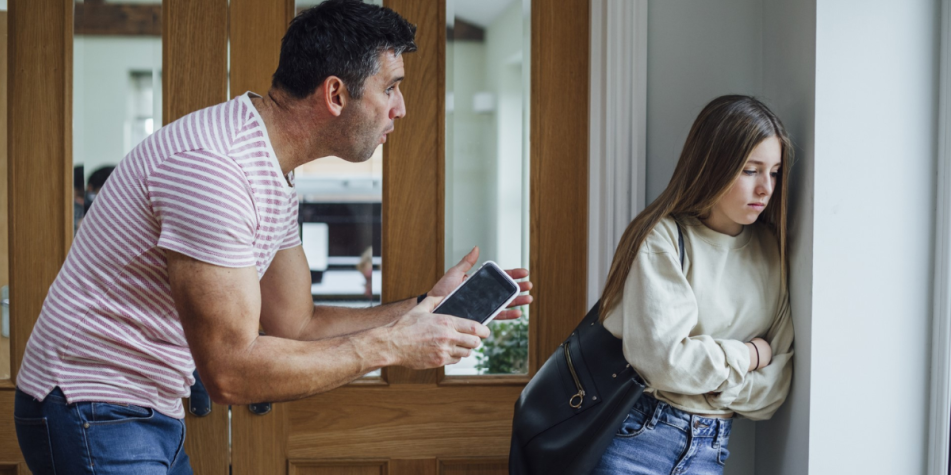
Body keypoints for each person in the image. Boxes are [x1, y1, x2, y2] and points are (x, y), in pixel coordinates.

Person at [13, 1, 531, 473]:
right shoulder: (215, 171)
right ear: (335, 94)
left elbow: (296, 326)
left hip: (141, 407)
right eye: (390, 87)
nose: (400, 108)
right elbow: (231, 373)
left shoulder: (268, 167)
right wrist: (390, 345)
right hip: (92, 406)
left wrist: (427, 306)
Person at [590, 95, 794, 474]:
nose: (766, 188)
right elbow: (664, 363)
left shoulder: (773, 252)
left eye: (775, 171)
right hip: (637, 441)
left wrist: (712, 382)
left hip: (711, 452)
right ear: (713, 166)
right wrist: (749, 356)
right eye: (751, 170)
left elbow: (776, 388)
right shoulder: (662, 237)